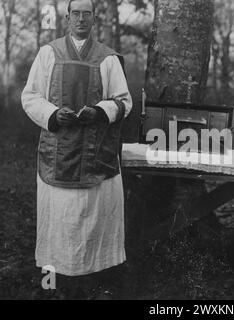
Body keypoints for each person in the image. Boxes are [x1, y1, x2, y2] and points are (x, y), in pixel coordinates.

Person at [21, 0, 132, 299]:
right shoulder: (49, 53)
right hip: (58, 151)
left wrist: (100, 111)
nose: (82, 19)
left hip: (96, 153)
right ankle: (51, 285)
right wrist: (53, 115)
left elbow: (124, 101)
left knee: (96, 222)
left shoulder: (108, 58)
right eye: (76, 14)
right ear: (67, 18)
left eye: (88, 14)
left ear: (95, 19)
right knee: (56, 221)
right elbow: (30, 97)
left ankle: (97, 286)